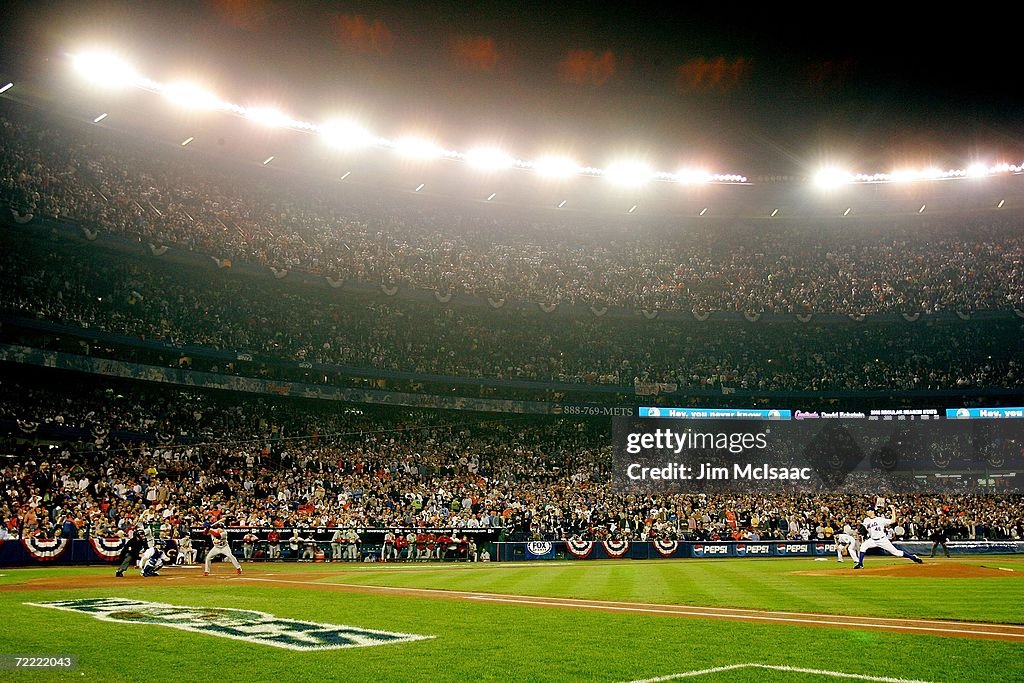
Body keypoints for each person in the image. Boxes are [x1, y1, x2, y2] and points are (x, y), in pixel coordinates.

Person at [854, 506, 923, 569]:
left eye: (868, 511)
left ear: (872, 511)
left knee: (896, 553)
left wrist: (893, 510)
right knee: (863, 546)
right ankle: (860, 564)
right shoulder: (866, 520)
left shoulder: (880, 519)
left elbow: (893, 521)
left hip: (882, 540)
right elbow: (862, 528)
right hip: (872, 540)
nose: (867, 512)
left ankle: (913, 557)